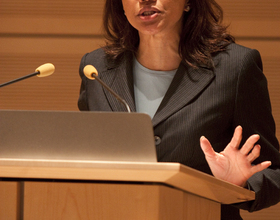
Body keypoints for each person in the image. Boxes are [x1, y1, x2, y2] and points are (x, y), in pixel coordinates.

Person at [78, 0, 280, 219]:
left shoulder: (235, 67)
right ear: (121, 6)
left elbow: (273, 173)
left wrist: (240, 184)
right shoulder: (96, 68)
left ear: (188, 3)